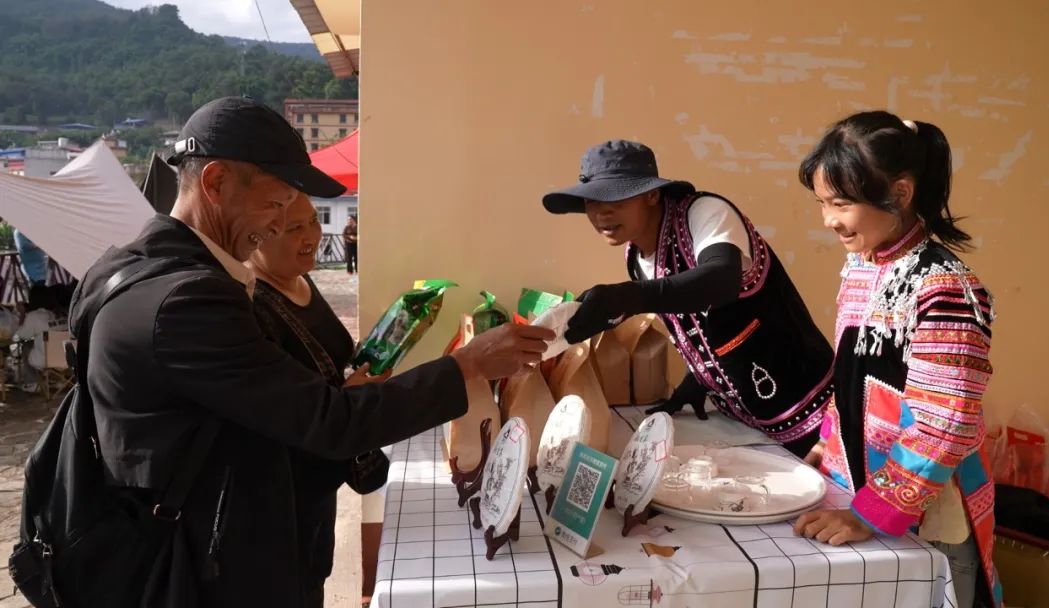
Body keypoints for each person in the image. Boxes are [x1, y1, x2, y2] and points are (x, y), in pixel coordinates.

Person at [67, 97, 554, 607]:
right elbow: (330, 421)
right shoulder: (186, 301)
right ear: (216, 182)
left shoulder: (131, 269)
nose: (278, 226)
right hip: (205, 576)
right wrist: (468, 364)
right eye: (275, 206)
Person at [791, 111, 1001, 607]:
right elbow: (851, 376)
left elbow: (945, 423)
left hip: (926, 518)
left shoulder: (944, 288)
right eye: (822, 203)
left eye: (840, 203)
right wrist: (827, 445)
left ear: (900, 193)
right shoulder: (862, 267)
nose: (828, 220)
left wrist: (869, 513)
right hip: (857, 495)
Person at [542, 140, 834, 456]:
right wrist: (698, 379)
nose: (602, 212)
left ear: (652, 194)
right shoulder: (635, 255)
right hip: (746, 419)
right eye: (591, 201)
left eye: (615, 197)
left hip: (809, 408)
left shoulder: (704, 212)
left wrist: (630, 298)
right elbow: (691, 317)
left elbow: (720, 280)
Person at [246, 193, 382, 607]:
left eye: (313, 222)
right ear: (258, 236)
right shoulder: (253, 305)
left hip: (322, 482)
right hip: (281, 499)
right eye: (294, 228)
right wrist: (347, 396)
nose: (312, 236)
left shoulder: (302, 281)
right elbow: (282, 409)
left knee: (314, 577)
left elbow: (329, 361)